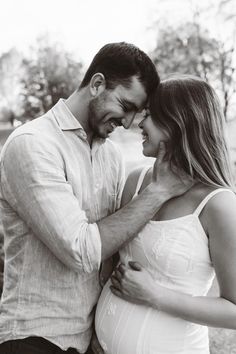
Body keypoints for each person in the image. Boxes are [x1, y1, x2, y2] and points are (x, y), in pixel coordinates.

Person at [0, 43, 191, 354]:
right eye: (126, 106)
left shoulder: (111, 156)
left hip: (89, 339)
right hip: (34, 338)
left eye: (136, 113)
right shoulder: (33, 144)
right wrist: (159, 191)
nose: (129, 123)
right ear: (97, 84)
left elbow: (110, 252)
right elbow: (81, 250)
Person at [95, 74, 236, 354]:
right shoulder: (136, 181)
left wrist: (154, 295)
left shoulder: (218, 205)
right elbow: (109, 263)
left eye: (149, 114)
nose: (138, 123)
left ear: (178, 122)